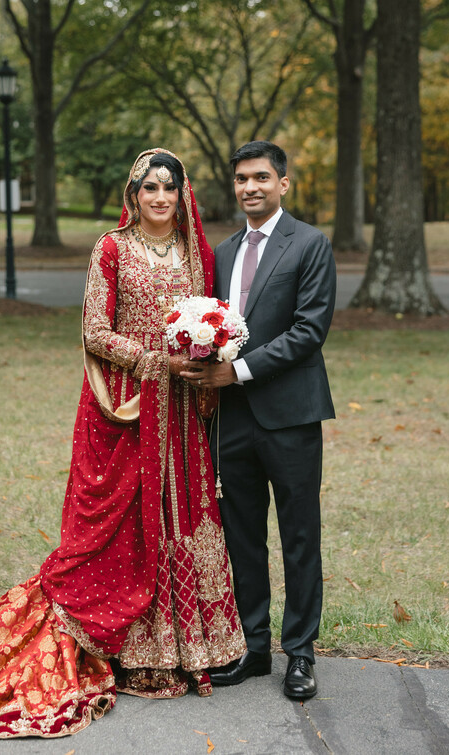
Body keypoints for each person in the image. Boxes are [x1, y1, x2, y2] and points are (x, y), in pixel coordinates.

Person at [0, 149, 245, 739]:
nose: (160, 197)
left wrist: (202, 353)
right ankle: (129, 647)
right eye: (149, 188)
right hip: (125, 405)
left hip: (183, 409)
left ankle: (188, 648)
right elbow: (93, 329)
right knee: (119, 523)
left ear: (182, 193)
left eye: (169, 187)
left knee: (179, 515)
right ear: (133, 194)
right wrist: (152, 359)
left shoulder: (199, 252)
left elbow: (209, 319)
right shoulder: (110, 249)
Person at [181, 140, 336, 700]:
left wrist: (237, 372)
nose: (251, 187)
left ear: (283, 183)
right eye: (242, 179)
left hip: (291, 416)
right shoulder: (219, 254)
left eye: (262, 178)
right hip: (232, 421)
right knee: (242, 535)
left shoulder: (310, 244)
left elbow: (308, 331)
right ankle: (255, 646)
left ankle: (300, 653)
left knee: (299, 536)